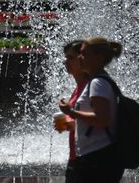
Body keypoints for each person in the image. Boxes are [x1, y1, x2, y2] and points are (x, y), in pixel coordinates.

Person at [59, 37, 124, 183]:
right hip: (95, 157)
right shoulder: (98, 81)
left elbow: (102, 119)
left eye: (83, 54)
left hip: (97, 159)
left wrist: (71, 112)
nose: (80, 58)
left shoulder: (97, 83)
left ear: (99, 58)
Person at [54, 40, 88, 183]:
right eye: (66, 57)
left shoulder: (91, 86)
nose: (65, 61)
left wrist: (70, 115)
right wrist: (67, 122)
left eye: (71, 58)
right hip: (77, 157)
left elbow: (103, 119)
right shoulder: (79, 87)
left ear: (83, 59)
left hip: (88, 160)